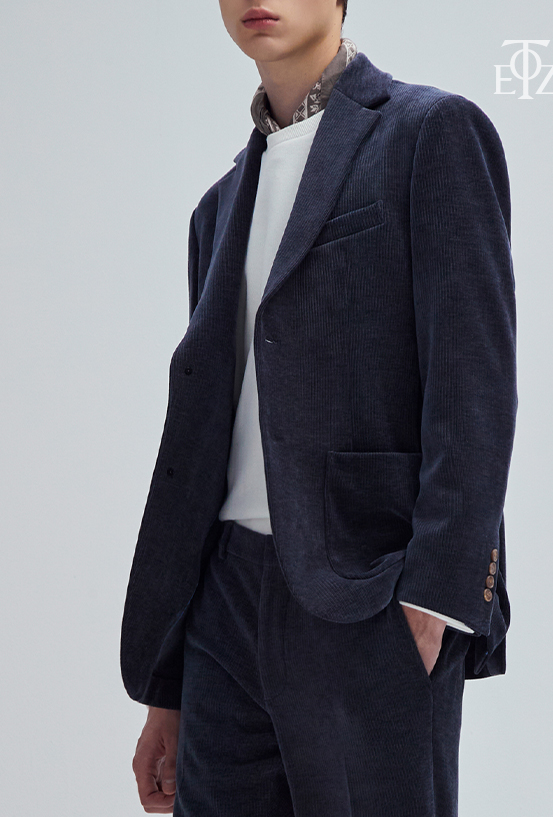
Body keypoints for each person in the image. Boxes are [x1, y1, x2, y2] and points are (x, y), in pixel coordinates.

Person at [120, 1, 518, 815]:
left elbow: (474, 379)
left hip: (367, 597)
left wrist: (434, 600)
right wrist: (171, 682)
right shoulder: (218, 207)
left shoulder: (430, 133)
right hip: (220, 606)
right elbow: (209, 440)